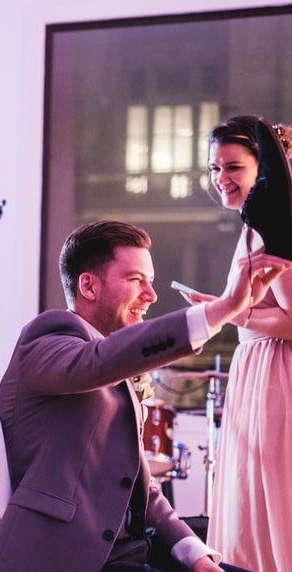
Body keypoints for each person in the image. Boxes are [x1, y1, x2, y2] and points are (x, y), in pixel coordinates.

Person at [0, 219, 290, 571]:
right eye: (135, 279)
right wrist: (224, 308)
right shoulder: (47, 337)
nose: (151, 295)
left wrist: (196, 556)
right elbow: (98, 361)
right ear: (88, 285)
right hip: (66, 559)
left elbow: (140, 486)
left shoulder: (111, 361)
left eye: (150, 280)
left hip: (133, 554)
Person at [193, 115, 292, 571]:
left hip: (276, 379)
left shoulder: (272, 223)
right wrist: (224, 308)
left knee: (270, 504)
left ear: (263, 167)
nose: (221, 179)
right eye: (215, 168)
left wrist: (232, 312)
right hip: (257, 373)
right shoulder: (256, 224)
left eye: (233, 167)